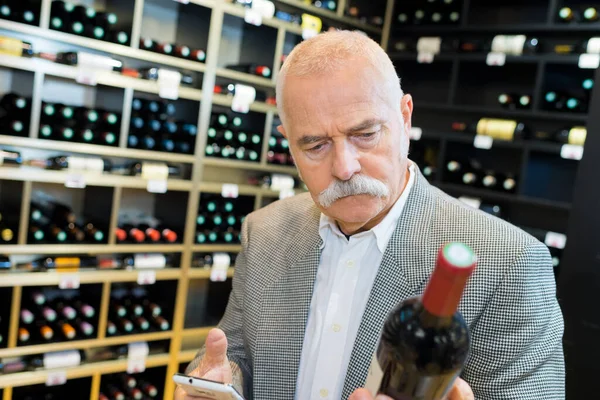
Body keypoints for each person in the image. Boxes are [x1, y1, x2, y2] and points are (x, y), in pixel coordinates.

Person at [176, 30, 565, 400]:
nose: (344, 167)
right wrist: (211, 381)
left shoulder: (509, 264)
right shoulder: (265, 231)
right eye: (315, 145)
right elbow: (234, 354)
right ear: (288, 144)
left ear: (405, 117)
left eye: (365, 134)